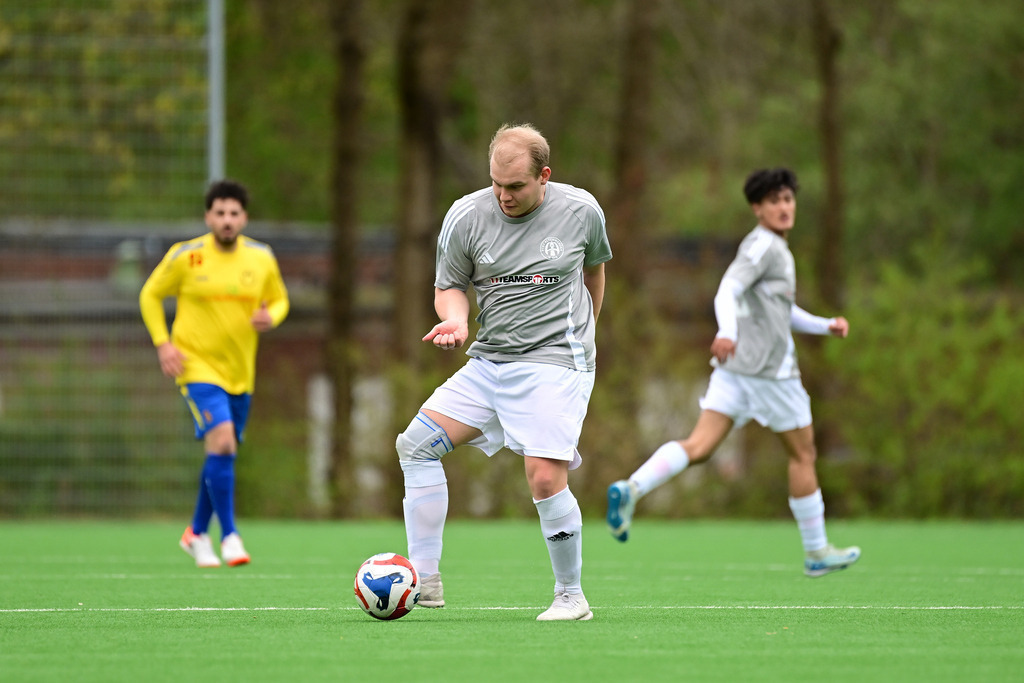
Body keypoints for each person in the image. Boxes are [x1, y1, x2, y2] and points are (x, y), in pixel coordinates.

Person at [397, 123, 612, 620]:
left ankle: (570, 597)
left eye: (515, 186)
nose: (503, 195)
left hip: (557, 361)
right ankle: (424, 582)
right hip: (492, 359)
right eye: (496, 183)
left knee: (541, 476)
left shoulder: (582, 211)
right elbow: (449, 285)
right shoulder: (466, 216)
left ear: (544, 176)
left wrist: (587, 330)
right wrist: (454, 319)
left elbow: (595, 269)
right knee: (416, 445)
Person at [606, 167, 860, 578]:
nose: (783, 207)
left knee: (699, 446)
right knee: (803, 454)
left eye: (788, 199)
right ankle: (816, 552)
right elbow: (728, 289)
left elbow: (780, 311)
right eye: (773, 201)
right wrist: (726, 331)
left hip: (736, 371)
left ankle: (632, 488)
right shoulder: (766, 249)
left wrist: (822, 325)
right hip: (770, 373)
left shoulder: (768, 247)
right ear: (757, 208)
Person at [139, 179, 289, 568]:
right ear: (208, 216)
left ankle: (196, 533)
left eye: (233, 213)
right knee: (223, 442)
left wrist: (269, 316)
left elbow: (280, 299)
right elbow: (150, 295)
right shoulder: (185, 257)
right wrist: (163, 343)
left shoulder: (261, 258)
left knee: (222, 451)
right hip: (195, 367)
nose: (226, 220)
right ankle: (231, 535)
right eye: (219, 213)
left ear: (244, 218)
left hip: (241, 373)